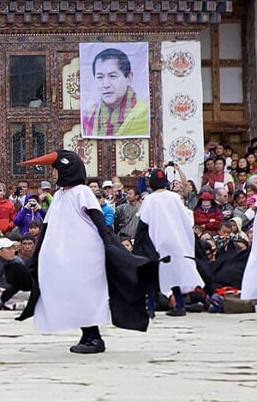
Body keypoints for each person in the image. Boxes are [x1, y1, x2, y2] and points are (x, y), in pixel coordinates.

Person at [16, 150, 154, 354]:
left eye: (55, 170)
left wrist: (107, 243)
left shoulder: (82, 192)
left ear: (66, 169)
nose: (53, 175)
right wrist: (38, 256)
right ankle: (88, 334)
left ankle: (94, 337)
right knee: (74, 294)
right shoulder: (60, 196)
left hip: (87, 256)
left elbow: (96, 216)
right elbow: (46, 227)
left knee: (87, 295)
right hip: (70, 256)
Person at [133, 169, 204, 316]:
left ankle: (150, 308)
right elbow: (185, 219)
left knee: (153, 275)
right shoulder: (175, 197)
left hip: (157, 241)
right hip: (176, 241)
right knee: (174, 274)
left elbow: (143, 222)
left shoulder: (150, 199)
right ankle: (179, 306)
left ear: (151, 183)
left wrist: (139, 245)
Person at [81, 47, 148, 137]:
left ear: (129, 77)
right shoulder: (89, 116)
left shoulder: (144, 112)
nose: (106, 85)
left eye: (112, 76)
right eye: (100, 77)